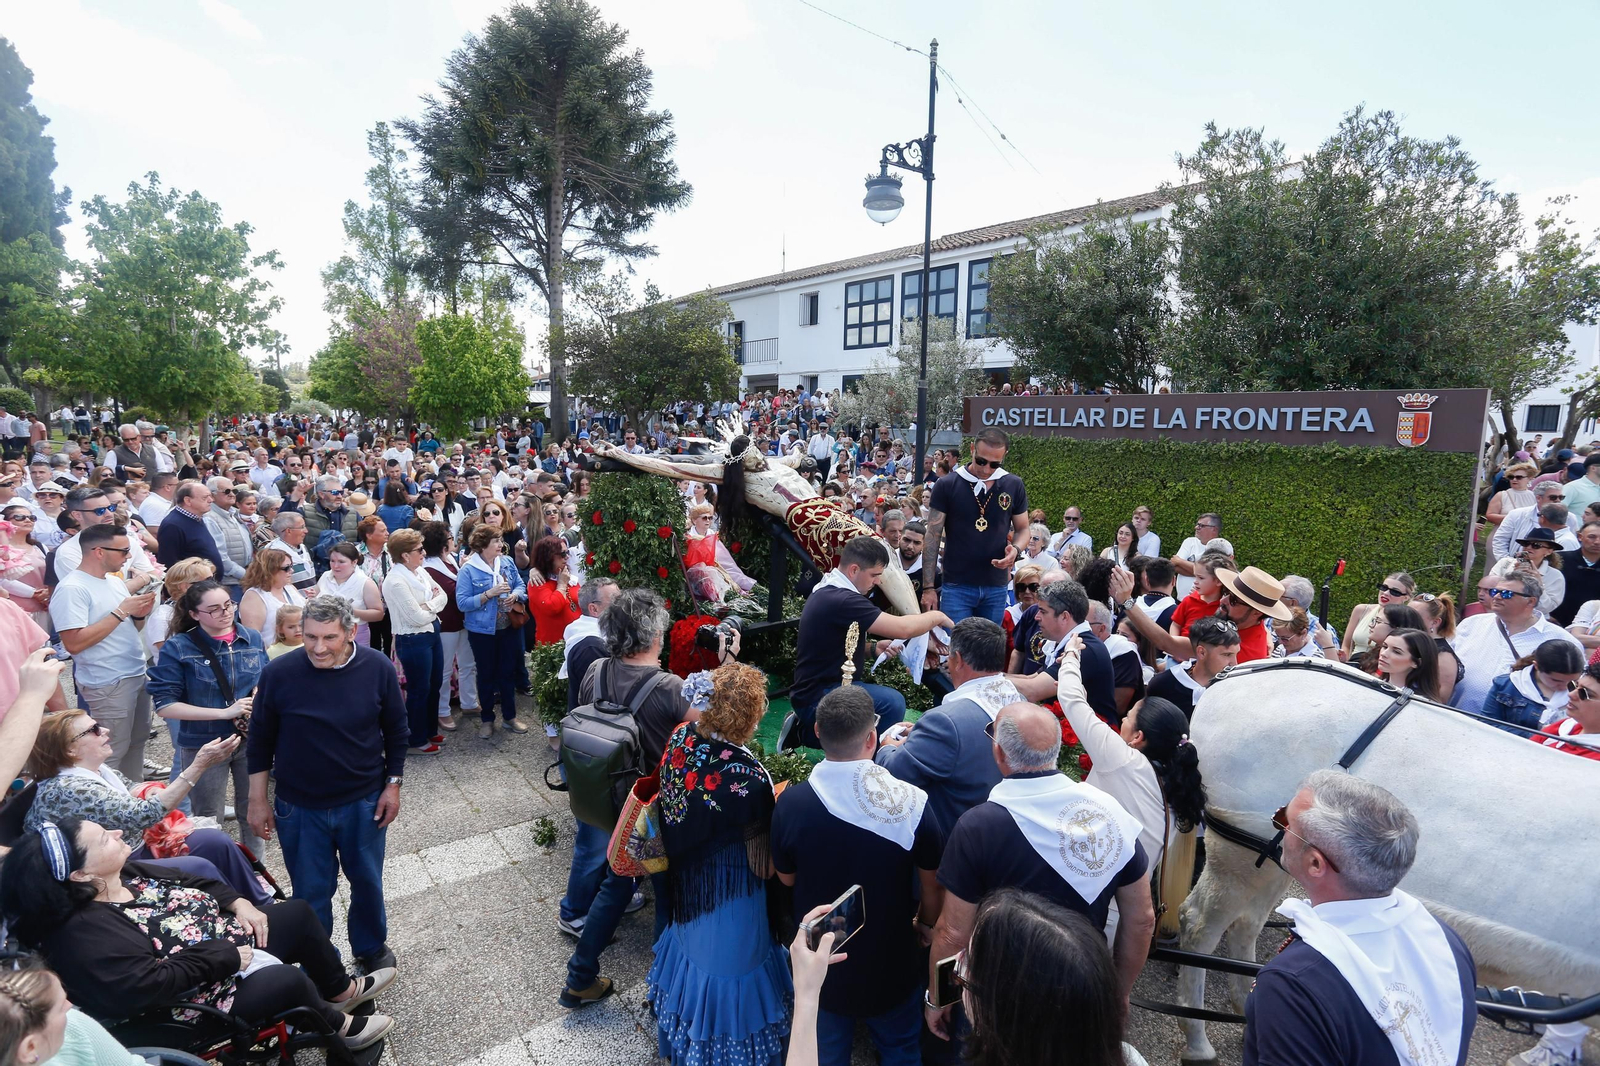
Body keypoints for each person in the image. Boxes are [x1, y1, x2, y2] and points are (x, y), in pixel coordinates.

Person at [0, 819, 397, 1051]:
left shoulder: (121, 875)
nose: (118, 832)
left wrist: (239, 903)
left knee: (293, 914)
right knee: (284, 979)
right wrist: (225, 956)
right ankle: (336, 1029)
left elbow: (191, 878)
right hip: (188, 1001)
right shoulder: (82, 932)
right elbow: (142, 986)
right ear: (80, 875)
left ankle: (339, 990)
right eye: (104, 838)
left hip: (223, 948)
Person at [925, 702, 1153, 1042]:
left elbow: (953, 931)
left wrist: (938, 996)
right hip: (1082, 982)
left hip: (1000, 990)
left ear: (999, 754)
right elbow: (1142, 919)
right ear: (1056, 750)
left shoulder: (979, 826)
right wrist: (1116, 992)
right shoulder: (1107, 811)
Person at [1243, 772, 1475, 1066]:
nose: (1281, 827)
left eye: (1285, 822)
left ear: (1315, 863)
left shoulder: (1291, 986)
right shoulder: (1447, 940)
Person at [773, 684, 943, 1066]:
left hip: (822, 959)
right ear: (872, 737)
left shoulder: (792, 804)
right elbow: (932, 885)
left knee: (824, 1052)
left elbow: (786, 881)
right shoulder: (913, 802)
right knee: (900, 1050)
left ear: (816, 732)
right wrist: (926, 924)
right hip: (891, 957)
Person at [247, 594, 407, 974]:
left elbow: (396, 731)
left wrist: (393, 785)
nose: (318, 648)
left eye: (329, 638)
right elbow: (260, 740)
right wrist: (257, 800)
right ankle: (321, 963)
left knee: (367, 882)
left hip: (363, 801)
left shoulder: (376, 667)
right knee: (311, 892)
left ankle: (370, 948)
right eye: (309, 637)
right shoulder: (279, 673)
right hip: (299, 807)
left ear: (351, 632)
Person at [645, 663, 790, 1064]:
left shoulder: (680, 739)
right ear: (749, 717)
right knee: (731, 983)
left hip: (687, 893)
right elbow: (764, 867)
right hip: (732, 903)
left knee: (692, 965)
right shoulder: (750, 777)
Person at [560, 588, 691, 1003]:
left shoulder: (596, 669)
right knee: (667, 894)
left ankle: (581, 977)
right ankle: (663, 986)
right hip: (649, 811)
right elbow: (714, 727)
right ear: (655, 636)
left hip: (606, 797)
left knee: (616, 884)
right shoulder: (670, 687)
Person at [23, 709, 267, 902]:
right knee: (199, 865)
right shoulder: (72, 788)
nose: (105, 730)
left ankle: (259, 905)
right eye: (94, 730)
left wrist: (151, 791)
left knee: (217, 842)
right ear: (69, 749)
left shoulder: (91, 771)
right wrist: (199, 765)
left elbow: (131, 786)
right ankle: (234, 918)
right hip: (107, 868)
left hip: (129, 848)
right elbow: (145, 814)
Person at [1057, 637, 1205, 942]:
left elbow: (1071, 700)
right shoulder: (1177, 789)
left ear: (1137, 737)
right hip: (1125, 919)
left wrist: (1071, 655)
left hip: (1086, 908)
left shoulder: (1122, 759)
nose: (1121, 721)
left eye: (1126, 718)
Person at [785, 536, 952, 749]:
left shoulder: (831, 586)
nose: (878, 582)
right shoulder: (844, 599)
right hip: (818, 696)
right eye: (874, 575)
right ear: (854, 570)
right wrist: (936, 618)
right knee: (892, 703)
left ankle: (804, 733)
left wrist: (872, 649)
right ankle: (878, 758)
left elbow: (831, 646)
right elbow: (903, 628)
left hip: (812, 689)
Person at [148, 578, 268, 856]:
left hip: (249, 739)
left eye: (228, 605)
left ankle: (256, 873)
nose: (225, 612)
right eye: (214, 609)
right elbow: (165, 705)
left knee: (253, 810)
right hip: (205, 743)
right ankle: (215, 874)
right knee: (208, 818)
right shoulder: (178, 647)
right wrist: (225, 712)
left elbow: (266, 678)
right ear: (193, 614)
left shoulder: (251, 637)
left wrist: (260, 693)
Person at [876, 618, 1018, 842]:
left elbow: (895, 773)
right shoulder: (1018, 700)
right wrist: (922, 735)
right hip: (1004, 831)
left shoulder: (945, 722)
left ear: (958, 660)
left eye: (948, 655)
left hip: (950, 840)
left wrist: (886, 745)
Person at [49, 524, 157, 780]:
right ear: (98, 551)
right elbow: (73, 643)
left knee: (137, 742)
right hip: (107, 681)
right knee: (110, 752)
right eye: (123, 551)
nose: (128, 556)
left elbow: (125, 627)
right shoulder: (72, 588)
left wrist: (139, 615)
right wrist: (122, 612)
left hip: (134, 673)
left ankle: (130, 806)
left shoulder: (112, 581)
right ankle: (108, 812)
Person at [922, 428, 1029, 626]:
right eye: (981, 461)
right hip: (957, 585)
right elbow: (932, 535)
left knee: (988, 652)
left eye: (995, 464)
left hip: (995, 586)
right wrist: (928, 588)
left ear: (1004, 456)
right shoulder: (947, 485)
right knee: (955, 650)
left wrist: (1016, 549)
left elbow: (1023, 528)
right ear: (972, 449)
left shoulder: (1013, 484)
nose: (987, 469)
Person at [1451, 568, 1582, 712]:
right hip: (1457, 717)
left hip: (1513, 729)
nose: (1497, 597)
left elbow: (1572, 690)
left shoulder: (1561, 641)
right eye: (1494, 591)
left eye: (1507, 594)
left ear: (1531, 601)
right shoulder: (1471, 624)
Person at [456, 522, 530, 739]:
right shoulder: (468, 569)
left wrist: (515, 596)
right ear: (482, 544)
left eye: (500, 540)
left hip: (508, 626)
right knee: (486, 674)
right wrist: (489, 594)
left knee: (508, 672)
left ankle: (510, 717)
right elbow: (462, 603)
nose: (501, 544)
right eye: (496, 540)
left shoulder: (506, 562)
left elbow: (520, 585)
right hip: (481, 631)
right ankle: (487, 719)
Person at [1007, 578, 1120, 719]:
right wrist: (994, 677)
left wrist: (983, 680)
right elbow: (1031, 679)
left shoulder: (1084, 648)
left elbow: (1032, 690)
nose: (1036, 617)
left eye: (1042, 611)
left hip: (1089, 738)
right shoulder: (1068, 642)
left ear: (1064, 616)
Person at [382, 527, 448, 756]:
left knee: (434, 684)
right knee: (420, 689)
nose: (424, 552)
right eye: (419, 549)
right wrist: (433, 605)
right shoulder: (396, 581)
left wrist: (429, 605)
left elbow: (444, 596)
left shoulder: (420, 571)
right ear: (405, 555)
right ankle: (415, 738)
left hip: (430, 632)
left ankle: (429, 730)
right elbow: (415, 617)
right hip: (412, 639)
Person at [420, 521, 477, 732]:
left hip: (462, 622)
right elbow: (454, 594)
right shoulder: (429, 569)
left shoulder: (451, 559)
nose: (454, 540)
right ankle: (442, 711)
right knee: (443, 671)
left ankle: (469, 702)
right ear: (444, 545)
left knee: (468, 664)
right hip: (445, 626)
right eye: (450, 538)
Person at [1479, 637, 1585, 735]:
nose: (1565, 686)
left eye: (1573, 681)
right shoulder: (1507, 685)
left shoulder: (1587, 692)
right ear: (1536, 666)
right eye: (1556, 680)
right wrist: (1538, 736)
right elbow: (1487, 723)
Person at [1144, 615, 1240, 721]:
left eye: (1236, 654)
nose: (1234, 663)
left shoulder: (1235, 688)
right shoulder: (1163, 684)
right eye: (1227, 655)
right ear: (1202, 652)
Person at [316, 541, 384, 646]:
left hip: (355, 636)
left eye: (341, 562)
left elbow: (378, 614)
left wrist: (349, 610)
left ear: (354, 562)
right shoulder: (325, 576)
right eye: (332, 561)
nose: (335, 566)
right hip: (324, 634)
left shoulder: (365, 582)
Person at [1342, 572, 1417, 662]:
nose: (1386, 593)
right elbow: (1346, 645)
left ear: (1406, 597)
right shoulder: (1361, 610)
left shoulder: (1406, 620)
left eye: (1395, 592)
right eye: (1384, 587)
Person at [238, 547, 307, 646]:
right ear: (270, 570)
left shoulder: (289, 588)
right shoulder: (254, 597)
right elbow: (253, 639)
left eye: (291, 566)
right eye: (286, 568)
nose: (291, 571)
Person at [202, 476, 255, 602]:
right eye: (226, 491)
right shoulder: (209, 518)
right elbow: (219, 557)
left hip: (243, 578)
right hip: (229, 582)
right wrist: (244, 574)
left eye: (234, 491)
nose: (232, 494)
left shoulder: (233, 514)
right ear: (212, 495)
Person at [153, 480, 223, 574]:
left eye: (210, 496)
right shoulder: (173, 525)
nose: (211, 500)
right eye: (205, 497)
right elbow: (169, 563)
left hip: (207, 583)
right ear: (188, 501)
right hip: (192, 585)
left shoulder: (197, 518)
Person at [1537, 662, 1600, 762]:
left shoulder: (1595, 759)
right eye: (1574, 686)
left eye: (1585, 693)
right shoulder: (1566, 726)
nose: (1571, 694)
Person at [527, 534, 581, 645]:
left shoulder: (567, 575)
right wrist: (561, 585)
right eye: (562, 554)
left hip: (576, 639)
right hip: (553, 644)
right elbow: (552, 607)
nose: (567, 557)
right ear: (548, 557)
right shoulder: (538, 582)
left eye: (567, 552)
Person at [1485, 462, 1538, 564]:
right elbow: (1490, 515)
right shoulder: (1502, 495)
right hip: (1501, 537)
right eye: (1511, 477)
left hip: (1525, 540)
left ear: (1529, 478)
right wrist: (1514, 518)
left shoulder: (1534, 497)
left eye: (1519, 477)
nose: (1514, 479)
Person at [1415, 593, 1463, 704]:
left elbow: (1439, 700)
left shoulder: (1443, 656)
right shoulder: (1415, 643)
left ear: (1435, 622)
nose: (1406, 618)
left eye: (1415, 616)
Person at [1171, 513, 1233, 598]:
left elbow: (1217, 572)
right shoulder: (1189, 542)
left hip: (1205, 603)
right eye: (1197, 524)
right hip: (1182, 601)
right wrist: (1205, 574)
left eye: (1201, 525)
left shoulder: (1221, 547)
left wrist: (1181, 562)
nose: (1196, 527)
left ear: (1214, 529)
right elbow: (1174, 566)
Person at [1373, 627, 1443, 701]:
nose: (1383, 654)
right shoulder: (1374, 683)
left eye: (1396, 652)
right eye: (1385, 646)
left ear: (1416, 662)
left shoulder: (1419, 702)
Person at [1513, 528, 1567, 615]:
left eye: (1536, 545)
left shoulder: (1555, 576)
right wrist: (1511, 576)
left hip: (1532, 618)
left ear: (1549, 551)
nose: (1528, 547)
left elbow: (1546, 608)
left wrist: (1538, 584)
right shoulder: (1505, 564)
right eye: (1526, 543)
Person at [265, 511, 316, 593]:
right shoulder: (274, 552)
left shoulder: (302, 547)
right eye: (302, 527)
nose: (306, 531)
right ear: (288, 531)